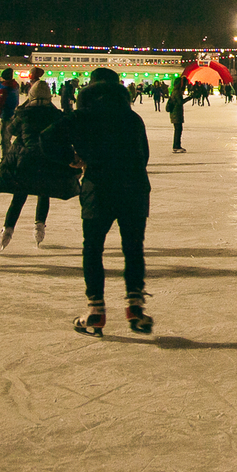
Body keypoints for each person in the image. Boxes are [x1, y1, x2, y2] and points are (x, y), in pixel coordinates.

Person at [42, 67, 153, 336]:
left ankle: (95, 310)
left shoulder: (82, 116)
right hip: (134, 187)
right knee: (133, 248)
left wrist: (71, 158)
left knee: (93, 248)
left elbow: (46, 137)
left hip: (99, 187)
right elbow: (144, 154)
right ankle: (135, 307)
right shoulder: (132, 118)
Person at [0, 80, 76, 252]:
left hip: (24, 161)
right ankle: (39, 226)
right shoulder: (55, 115)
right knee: (44, 193)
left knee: (19, 196)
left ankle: (7, 231)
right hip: (48, 160)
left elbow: (10, 131)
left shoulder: (23, 114)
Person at [0, 68, 21, 154]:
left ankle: (6, 161)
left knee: (4, 141)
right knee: (9, 139)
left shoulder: (3, 89)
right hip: (14, 115)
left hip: (6, 116)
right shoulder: (15, 86)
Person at [167, 76, 187, 152]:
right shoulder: (176, 92)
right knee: (178, 130)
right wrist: (190, 98)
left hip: (176, 113)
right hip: (176, 113)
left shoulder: (175, 91)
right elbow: (180, 102)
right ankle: (176, 146)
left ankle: (177, 145)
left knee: (178, 129)